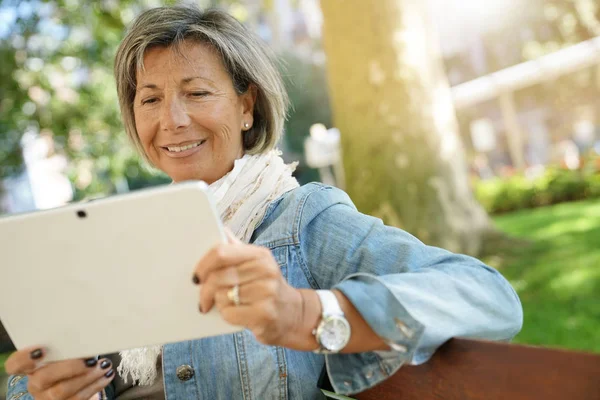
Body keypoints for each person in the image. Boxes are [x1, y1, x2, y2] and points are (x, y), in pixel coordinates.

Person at [4, 5, 523, 400]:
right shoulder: (108, 238)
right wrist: (45, 389)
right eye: (151, 99)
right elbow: (31, 381)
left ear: (247, 105)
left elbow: (490, 298)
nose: (173, 120)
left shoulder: (302, 221)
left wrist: (305, 313)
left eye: (198, 93)